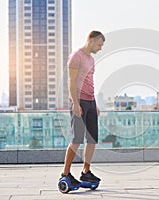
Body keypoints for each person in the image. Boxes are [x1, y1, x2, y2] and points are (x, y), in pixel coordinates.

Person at [60, 31, 105, 186]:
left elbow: (89, 83)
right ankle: (65, 173)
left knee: (92, 139)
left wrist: (95, 103)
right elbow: (71, 82)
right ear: (90, 40)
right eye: (99, 44)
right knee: (77, 139)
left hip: (91, 102)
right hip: (79, 102)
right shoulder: (76, 56)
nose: (100, 48)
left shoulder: (91, 60)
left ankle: (86, 171)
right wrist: (76, 103)